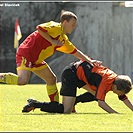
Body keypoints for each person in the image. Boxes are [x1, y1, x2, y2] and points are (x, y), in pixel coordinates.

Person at [0, 10, 102, 103]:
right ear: (65, 22)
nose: (74, 27)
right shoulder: (56, 27)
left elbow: (75, 51)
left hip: (37, 60)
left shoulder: (63, 39)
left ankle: (55, 105)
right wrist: (52, 41)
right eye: (72, 24)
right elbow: (40, 28)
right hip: (27, 53)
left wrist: (89, 61)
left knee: (52, 79)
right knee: (22, 80)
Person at [22, 60, 133, 114]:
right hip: (71, 74)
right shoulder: (105, 81)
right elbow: (101, 103)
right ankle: (35, 104)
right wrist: (115, 114)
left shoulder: (116, 80)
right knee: (66, 111)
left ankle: (75, 101)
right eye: (121, 92)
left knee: (96, 94)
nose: (121, 95)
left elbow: (123, 97)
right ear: (116, 87)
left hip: (81, 76)